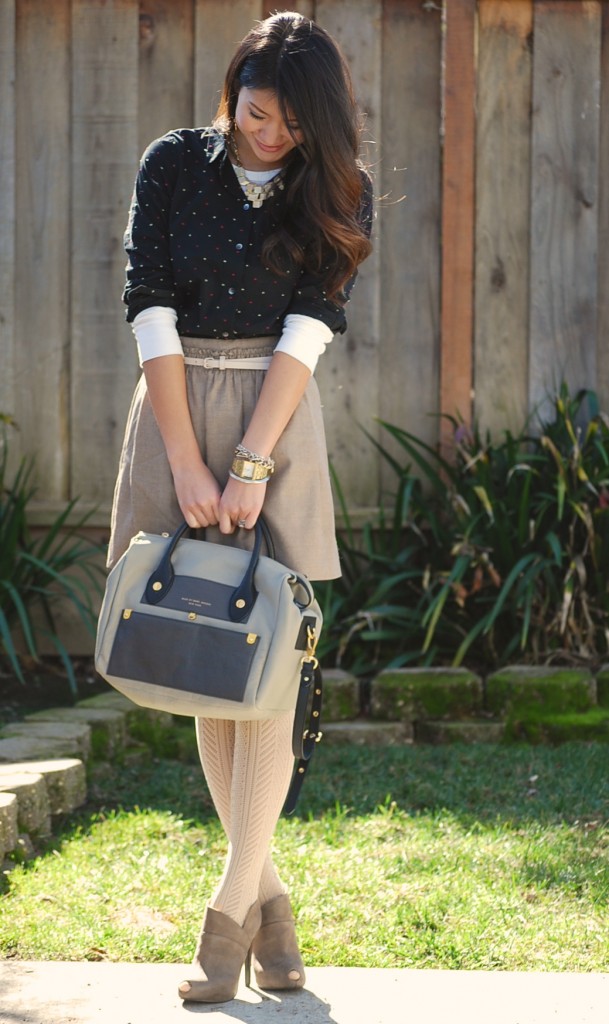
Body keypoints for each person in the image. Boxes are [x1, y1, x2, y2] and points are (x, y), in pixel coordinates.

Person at [108, 10, 373, 1004]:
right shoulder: (174, 164)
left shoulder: (338, 188)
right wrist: (184, 460)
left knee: (265, 656)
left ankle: (228, 909)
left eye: (293, 127)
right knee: (207, 652)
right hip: (178, 404)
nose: (273, 137)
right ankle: (274, 906)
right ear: (235, 90)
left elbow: (311, 329)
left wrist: (253, 463)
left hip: (275, 416)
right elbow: (150, 304)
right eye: (261, 114)